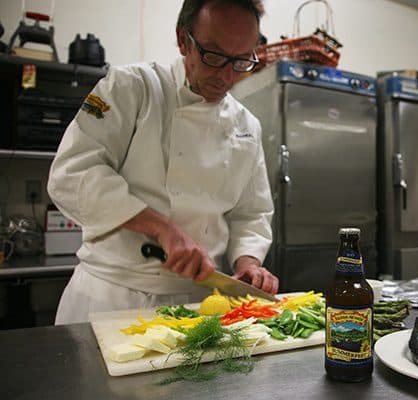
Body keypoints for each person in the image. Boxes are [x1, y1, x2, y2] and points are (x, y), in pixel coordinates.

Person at [47, 0, 278, 325]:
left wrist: (248, 262)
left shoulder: (247, 125)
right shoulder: (130, 87)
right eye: (214, 55)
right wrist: (162, 229)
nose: (226, 75)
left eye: (241, 61)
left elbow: (251, 213)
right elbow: (72, 173)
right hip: (110, 300)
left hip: (202, 304)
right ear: (183, 40)